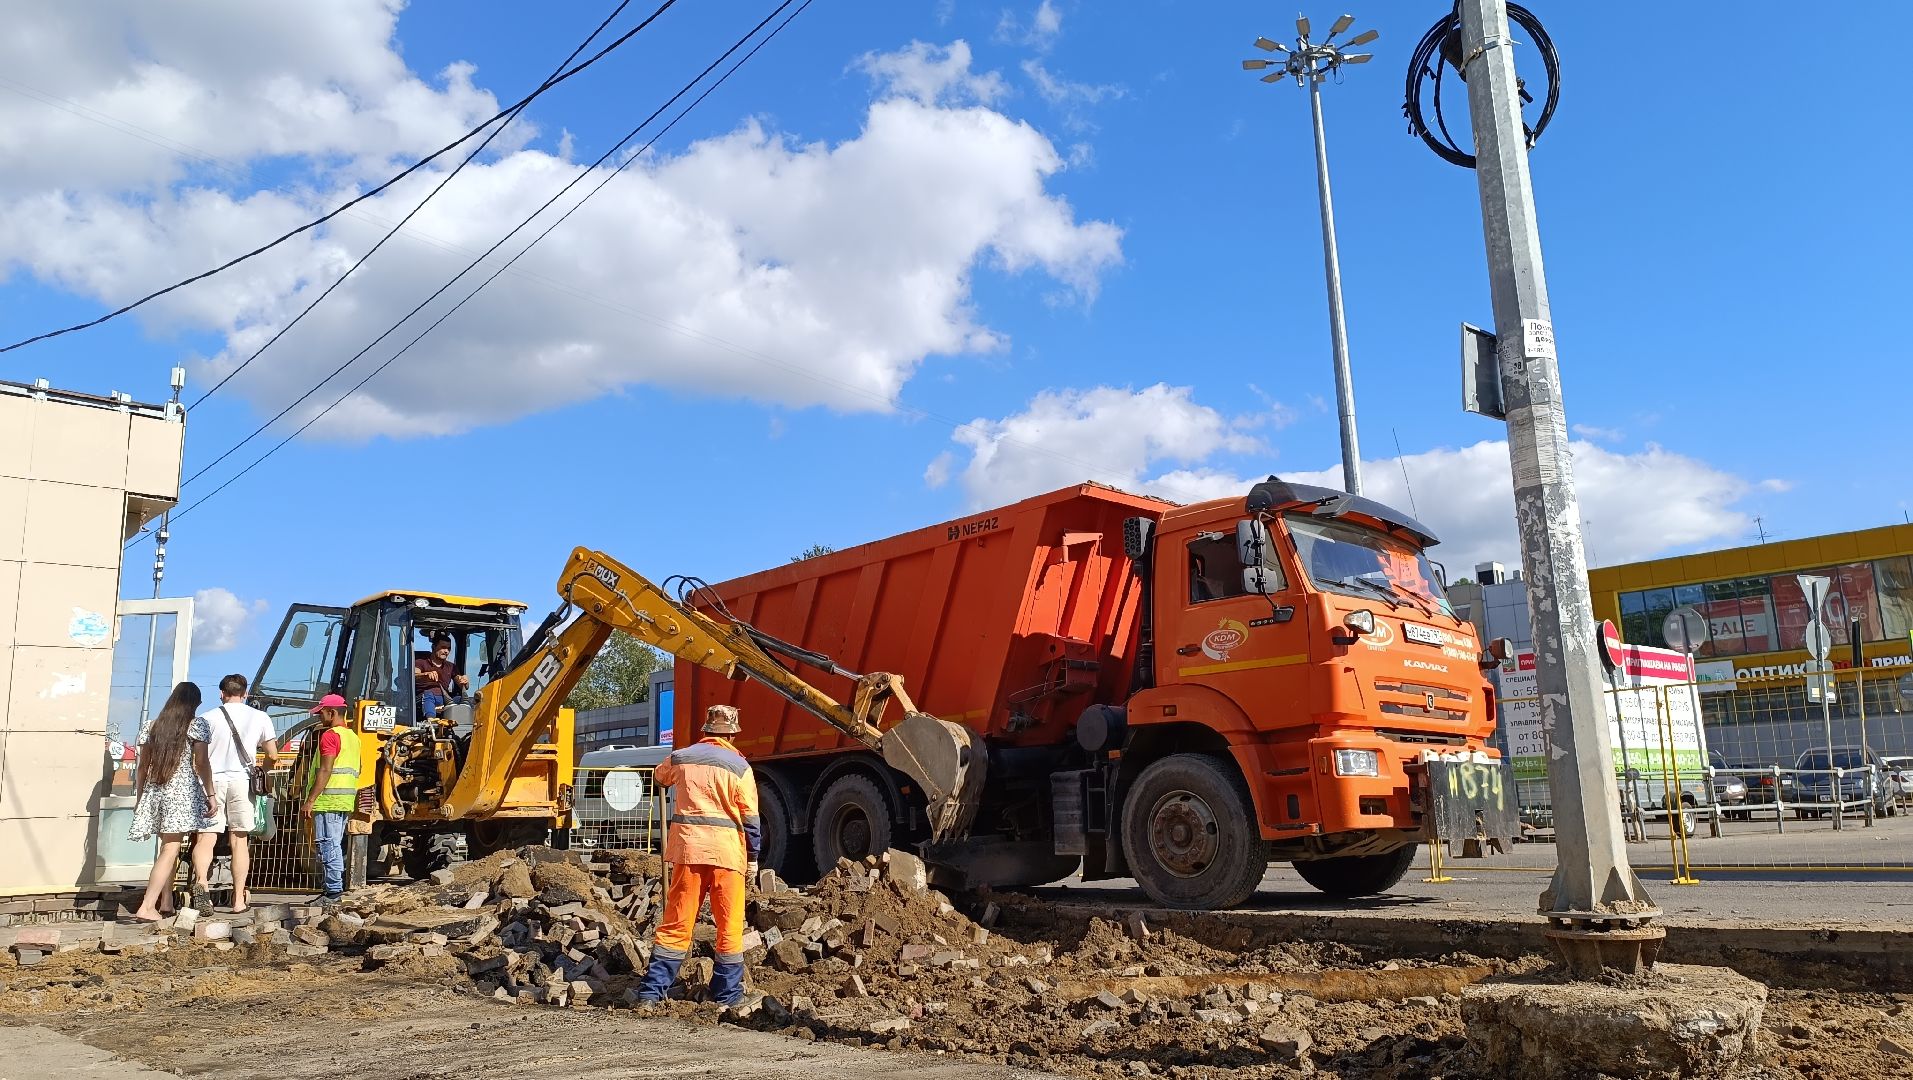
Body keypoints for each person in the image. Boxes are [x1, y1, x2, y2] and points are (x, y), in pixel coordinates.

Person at [635, 705, 761, 1007]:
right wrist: (753, 858)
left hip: (688, 852)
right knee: (729, 927)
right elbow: (751, 820)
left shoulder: (682, 757)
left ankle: (650, 994)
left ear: (705, 730)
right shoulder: (740, 767)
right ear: (732, 734)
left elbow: (660, 776)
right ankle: (728, 996)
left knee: (677, 923)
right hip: (727, 857)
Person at [126, 683, 215, 923]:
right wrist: (211, 794)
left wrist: (140, 798)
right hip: (181, 792)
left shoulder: (151, 726)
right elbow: (201, 762)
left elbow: (142, 767)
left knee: (166, 848)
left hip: (155, 790)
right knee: (170, 849)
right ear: (194, 703)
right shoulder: (196, 725)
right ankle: (147, 906)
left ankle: (166, 901)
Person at [191, 674, 280, 914]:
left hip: (211, 782)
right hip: (242, 782)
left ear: (221, 693)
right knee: (239, 840)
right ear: (245, 693)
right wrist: (263, 771)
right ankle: (238, 899)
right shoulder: (260, 717)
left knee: (206, 837)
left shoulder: (205, 719)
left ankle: (202, 884)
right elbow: (273, 755)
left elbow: (199, 760)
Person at [299, 693, 360, 911]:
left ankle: (333, 892)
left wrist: (310, 800)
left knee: (328, 845)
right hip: (344, 800)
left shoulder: (330, 736)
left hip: (328, 800)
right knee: (333, 844)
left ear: (332, 713)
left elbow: (325, 769)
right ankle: (332, 890)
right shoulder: (353, 737)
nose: (319, 717)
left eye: (322, 713)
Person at [414, 633, 467, 721]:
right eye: (443, 647)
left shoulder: (451, 667)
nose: (446, 651)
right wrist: (425, 674)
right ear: (433, 647)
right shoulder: (421, 662)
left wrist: (464, 681)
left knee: (460, 700)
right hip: (423, 698)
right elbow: (414, 676)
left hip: (444, 698)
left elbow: (462, 684)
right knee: (428, 695)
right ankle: (431, 721)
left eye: (448, 648)